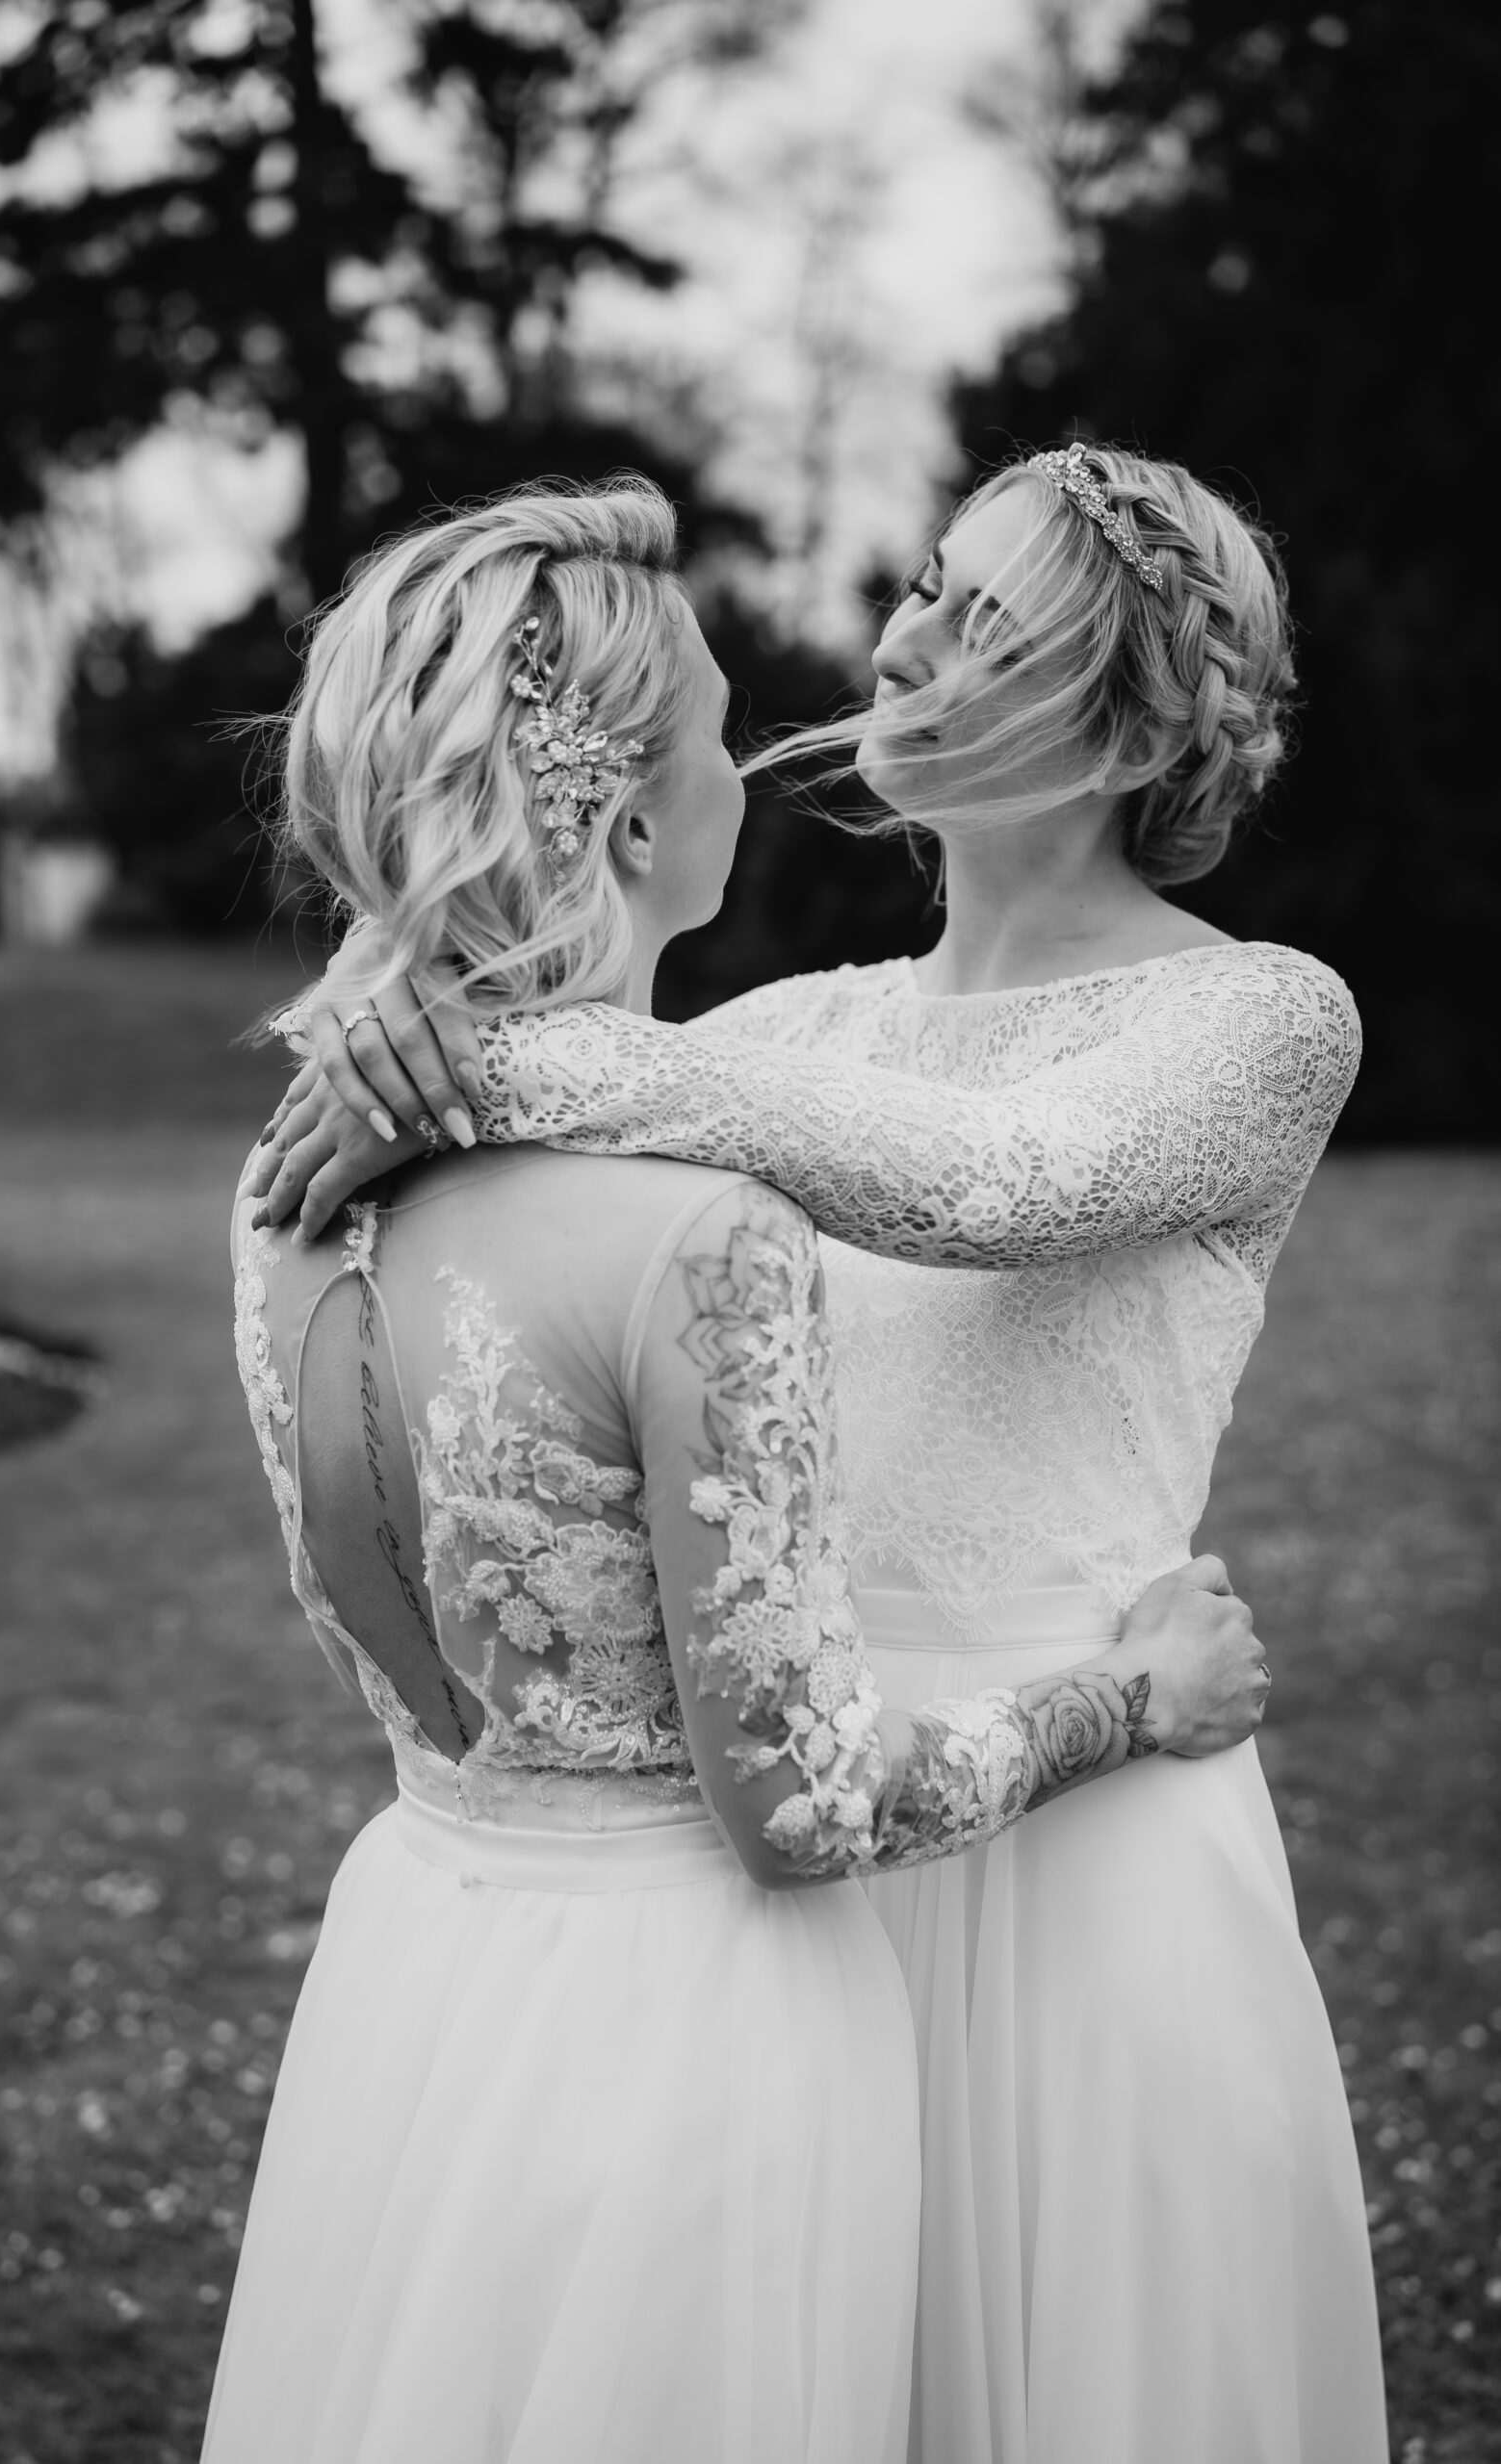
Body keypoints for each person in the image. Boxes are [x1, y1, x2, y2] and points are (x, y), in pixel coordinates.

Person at [251, 445, 1387, 2463]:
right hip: (777, 1821)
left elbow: (1000, 1184)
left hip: (1085, 1853)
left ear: (1132, 728)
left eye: (985, 622)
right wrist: (389, 1022)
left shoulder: (1261, 1021)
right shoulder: (772, 1035)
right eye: (925, 582)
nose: (903, 640)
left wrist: (498, 1054)